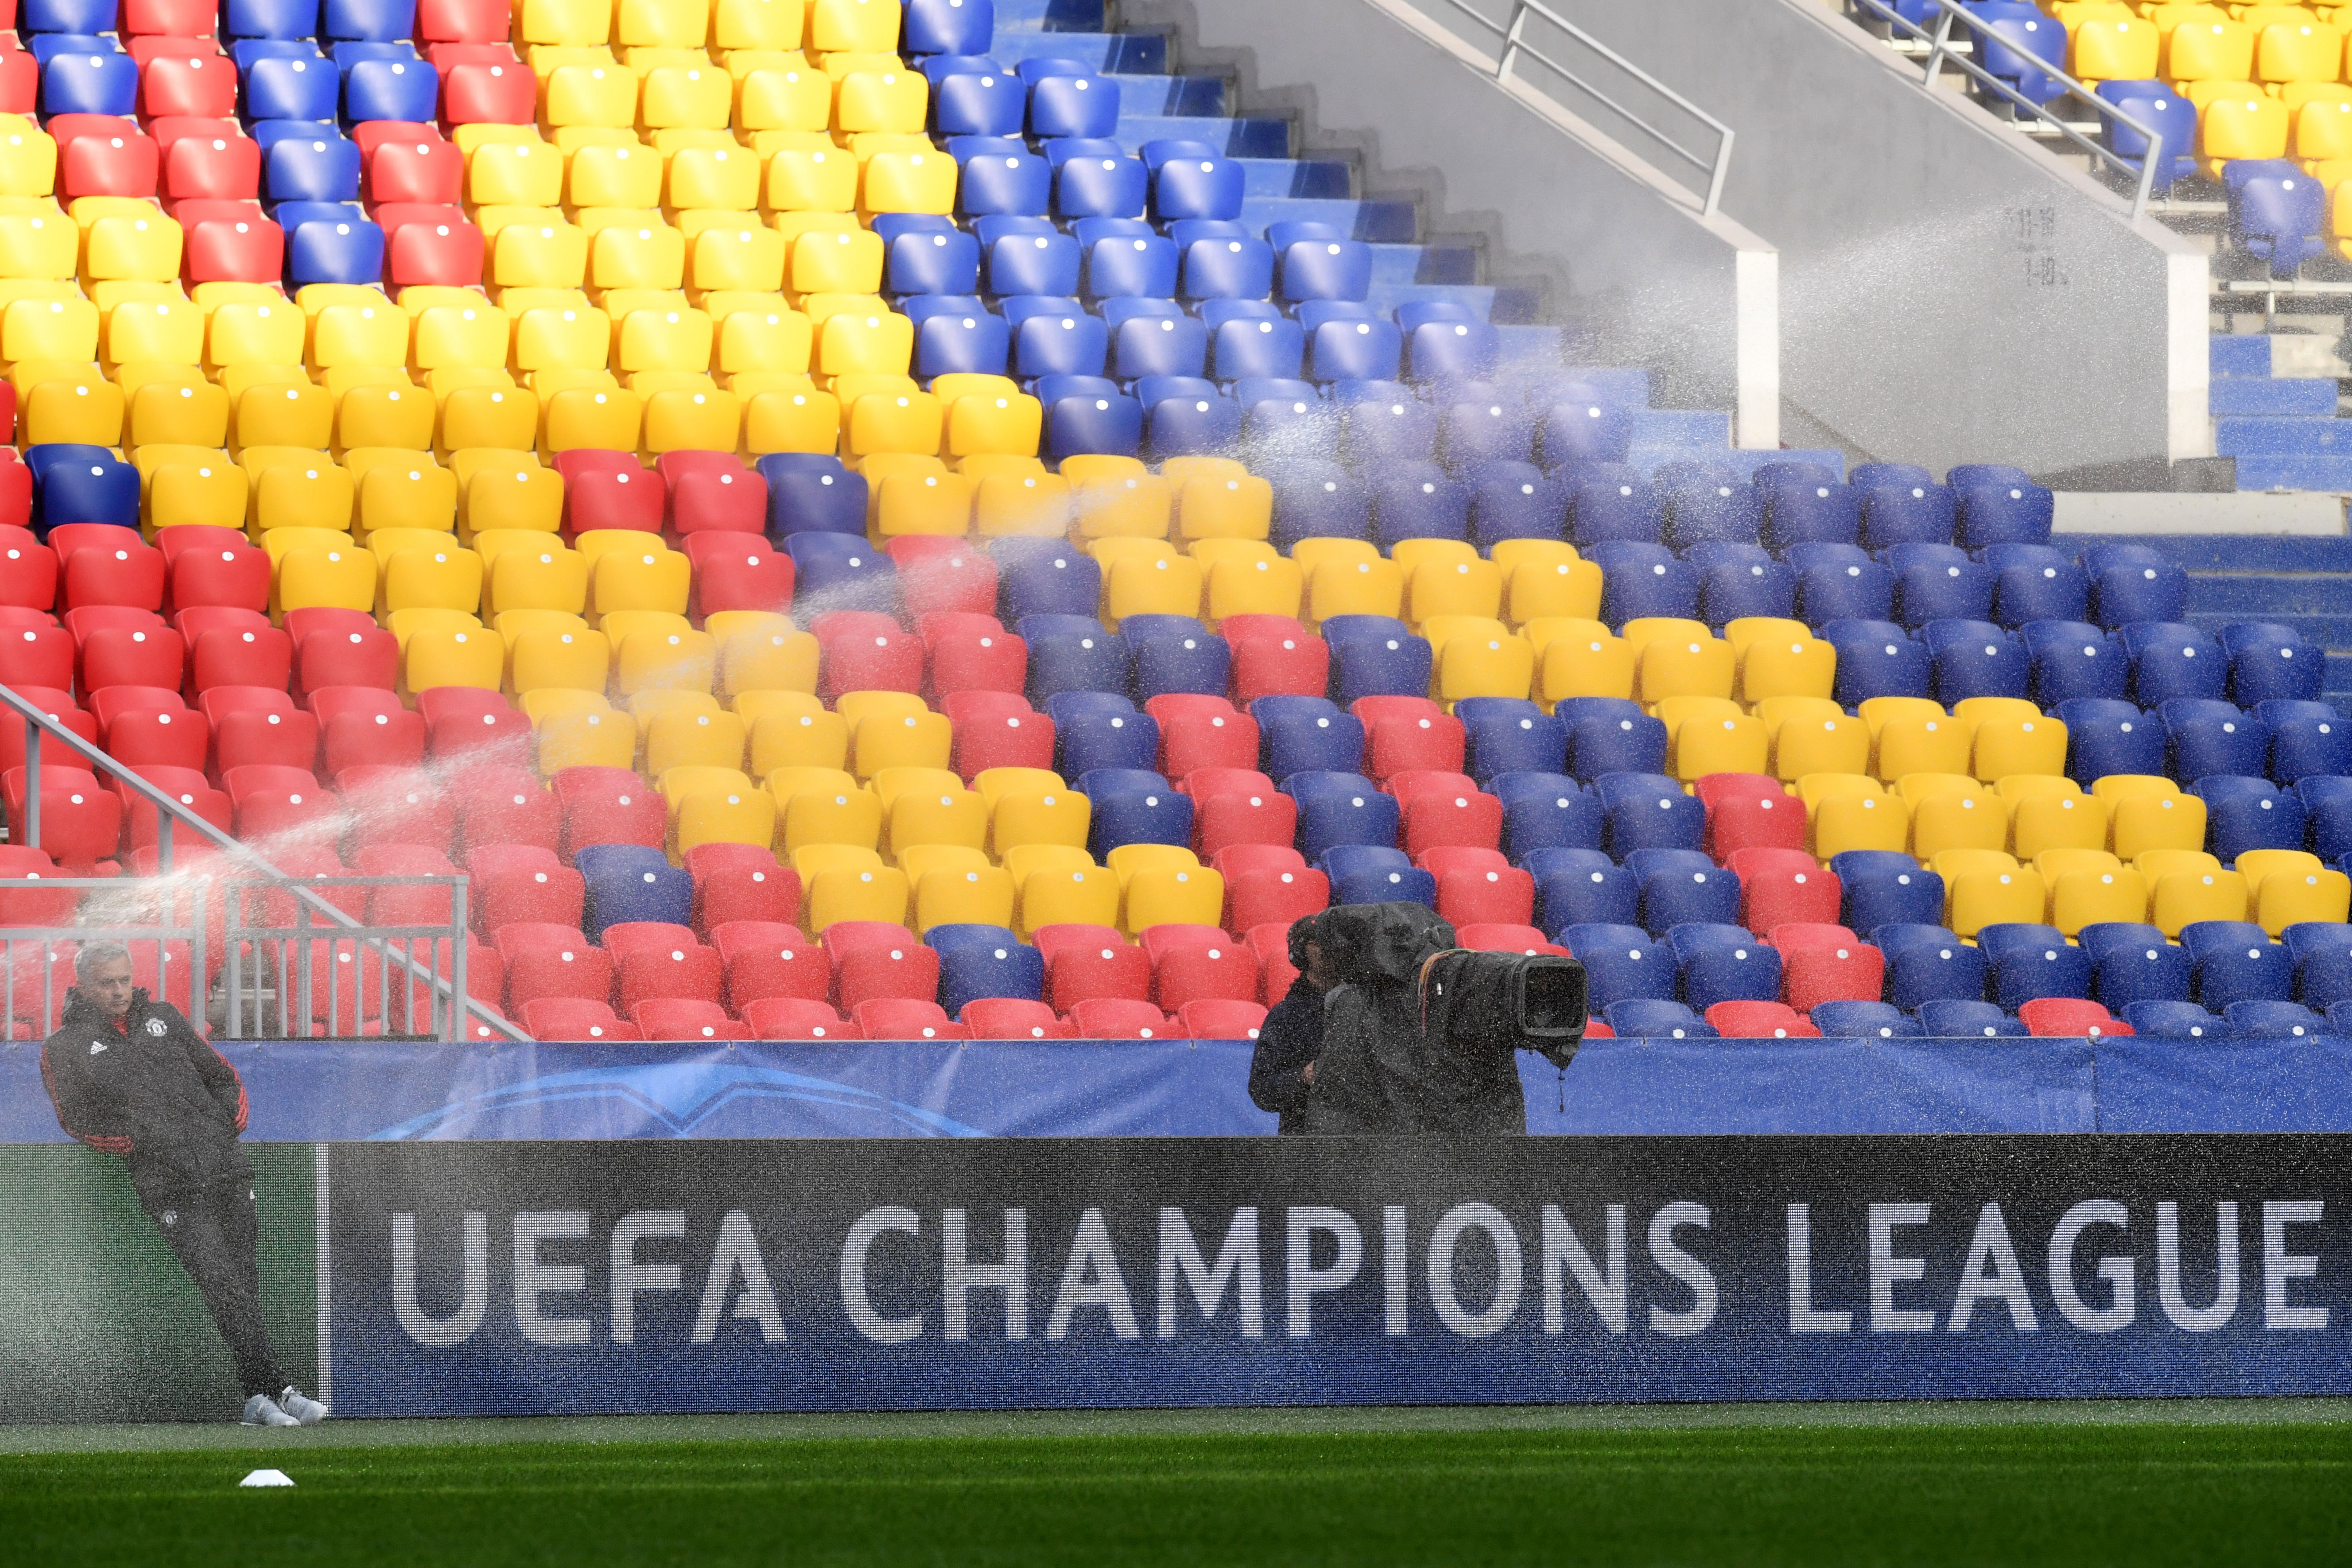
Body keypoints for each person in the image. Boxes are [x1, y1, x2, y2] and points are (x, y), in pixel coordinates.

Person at [39, 941, 328, 1428]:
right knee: (221, 1284)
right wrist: (140, 1142)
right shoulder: (63, 1047)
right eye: (107, 982)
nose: (119, 991)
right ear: (84, 985)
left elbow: (222, 1076)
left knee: (242, 1287)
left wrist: (222, 1125)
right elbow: (74, 1118)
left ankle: (257, 1399)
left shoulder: (166, 1018)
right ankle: (281, 1389)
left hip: (226, 1168)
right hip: (168, 1184)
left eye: (124, 980)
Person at [1248, 915, 1333, 1133]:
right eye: (1316, 942)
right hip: (1305, 1140)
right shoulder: (1286, 1015)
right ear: (1303, 952)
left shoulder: (1363, 1006)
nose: (1326, 948)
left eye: (1331, 940)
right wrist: (1304, 1077)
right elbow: (1262, 1091)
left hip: (1361, 1140)